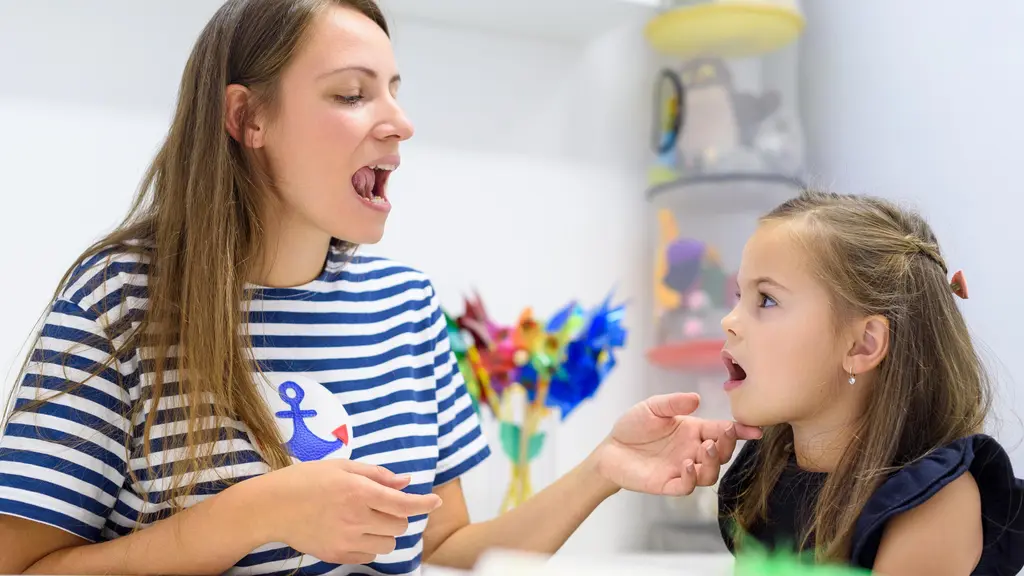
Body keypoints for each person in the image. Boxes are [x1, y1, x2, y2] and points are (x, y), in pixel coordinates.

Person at [0, 1, 762, 574]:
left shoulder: (405, 308)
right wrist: (249, 516)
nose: (399, 122)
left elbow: (450, 552)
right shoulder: (119, 302)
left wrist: (604, 470)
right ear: (247, 117)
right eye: (352, 93)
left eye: (394, 89)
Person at [717, 190, 1024, 575]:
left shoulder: (933, 501)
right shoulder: (765, 475)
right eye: (738, 295)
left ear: (863, 345)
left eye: (766, 300)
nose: (729, 320)